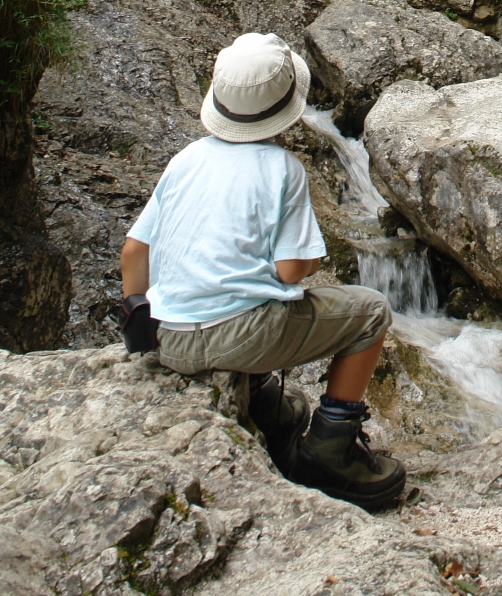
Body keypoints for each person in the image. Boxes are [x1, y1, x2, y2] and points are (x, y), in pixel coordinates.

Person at [118, 31, 405, 510]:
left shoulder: (184, 160)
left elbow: (132, 253)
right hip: (238, 336)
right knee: (370, 313)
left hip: (166, 339)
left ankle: (267, 404)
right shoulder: (283, 169)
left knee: (239, 293)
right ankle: (327, 452)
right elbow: (291, 272)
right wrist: (313, 257)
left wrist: (139, 315)